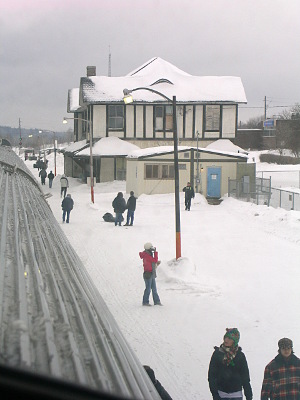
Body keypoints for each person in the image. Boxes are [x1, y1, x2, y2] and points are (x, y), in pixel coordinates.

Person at [208, 328, 253, 400]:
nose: (226, 340)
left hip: (236, 395)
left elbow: (245, 377)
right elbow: (212, 376)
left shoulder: (240, 356)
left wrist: (249, 396)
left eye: (229, 338)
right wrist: (215, 394)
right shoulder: (217, 354)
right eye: (225, 337)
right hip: (221, 394)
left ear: (235, 341)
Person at [139, 242, 162, 306]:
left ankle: (157, 301)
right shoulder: (147, 255)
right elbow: (154, 260)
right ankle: (145, 302)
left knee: (154, 288)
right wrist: (155, 253)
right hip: (148, 274)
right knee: (148, 289)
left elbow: (153, 261)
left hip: (151, 273)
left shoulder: (148, 254)